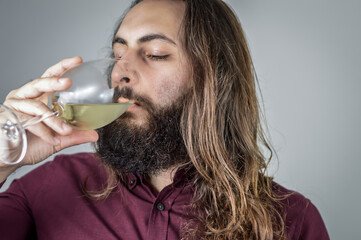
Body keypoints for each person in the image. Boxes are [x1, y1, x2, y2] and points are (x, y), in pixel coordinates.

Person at [0, 0, 330, 239]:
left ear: (211, 78)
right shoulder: (50, 186)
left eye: (155, 54)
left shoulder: (291, 222)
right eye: (118, 54)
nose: (119, 74)